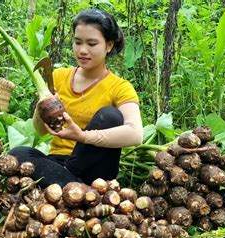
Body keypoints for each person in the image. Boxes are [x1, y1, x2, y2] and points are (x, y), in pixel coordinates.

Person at [9, 9, 143, 187]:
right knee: (17, 153)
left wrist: (82, 136)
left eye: (92, 44)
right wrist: (42, 106)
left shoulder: (120, 87)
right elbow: (40, 131)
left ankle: (65, 183)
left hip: (96, 170)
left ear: (109, 45)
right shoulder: (58, 76)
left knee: (110, 116)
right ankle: (78, 190)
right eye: (77, 42)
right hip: (57, 162)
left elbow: (135, 134)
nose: (82, 50)